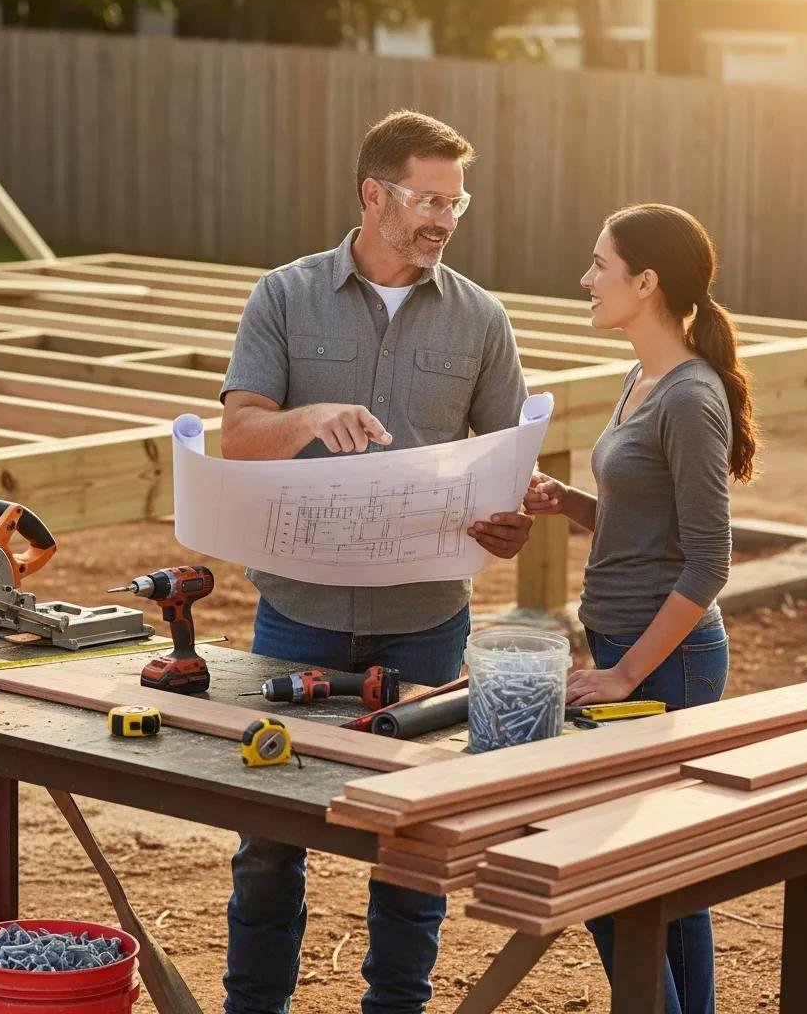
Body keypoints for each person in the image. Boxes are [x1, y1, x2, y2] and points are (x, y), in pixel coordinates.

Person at [218, 109, 534, 1014]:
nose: (443, 219)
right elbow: (238, 436)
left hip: (425, 622)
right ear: (373, 194)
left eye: (455, 203)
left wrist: (508, 522)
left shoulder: (482, 318)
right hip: (297, 616)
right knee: (269, 835)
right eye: (427, 199)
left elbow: (507, 461)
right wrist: (310, 418)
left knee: (413, 842)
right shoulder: (285, 297)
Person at [525, 203, 758, 1014]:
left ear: (647, 281)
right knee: (660, 880)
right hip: (627, 645)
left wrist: (625, 674)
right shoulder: (643, 380)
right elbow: (647, 522)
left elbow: (710, 562)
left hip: (669, 664)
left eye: (600, 265)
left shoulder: (690, 397)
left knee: (617, 874)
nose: (586, 280)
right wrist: (571, 503)